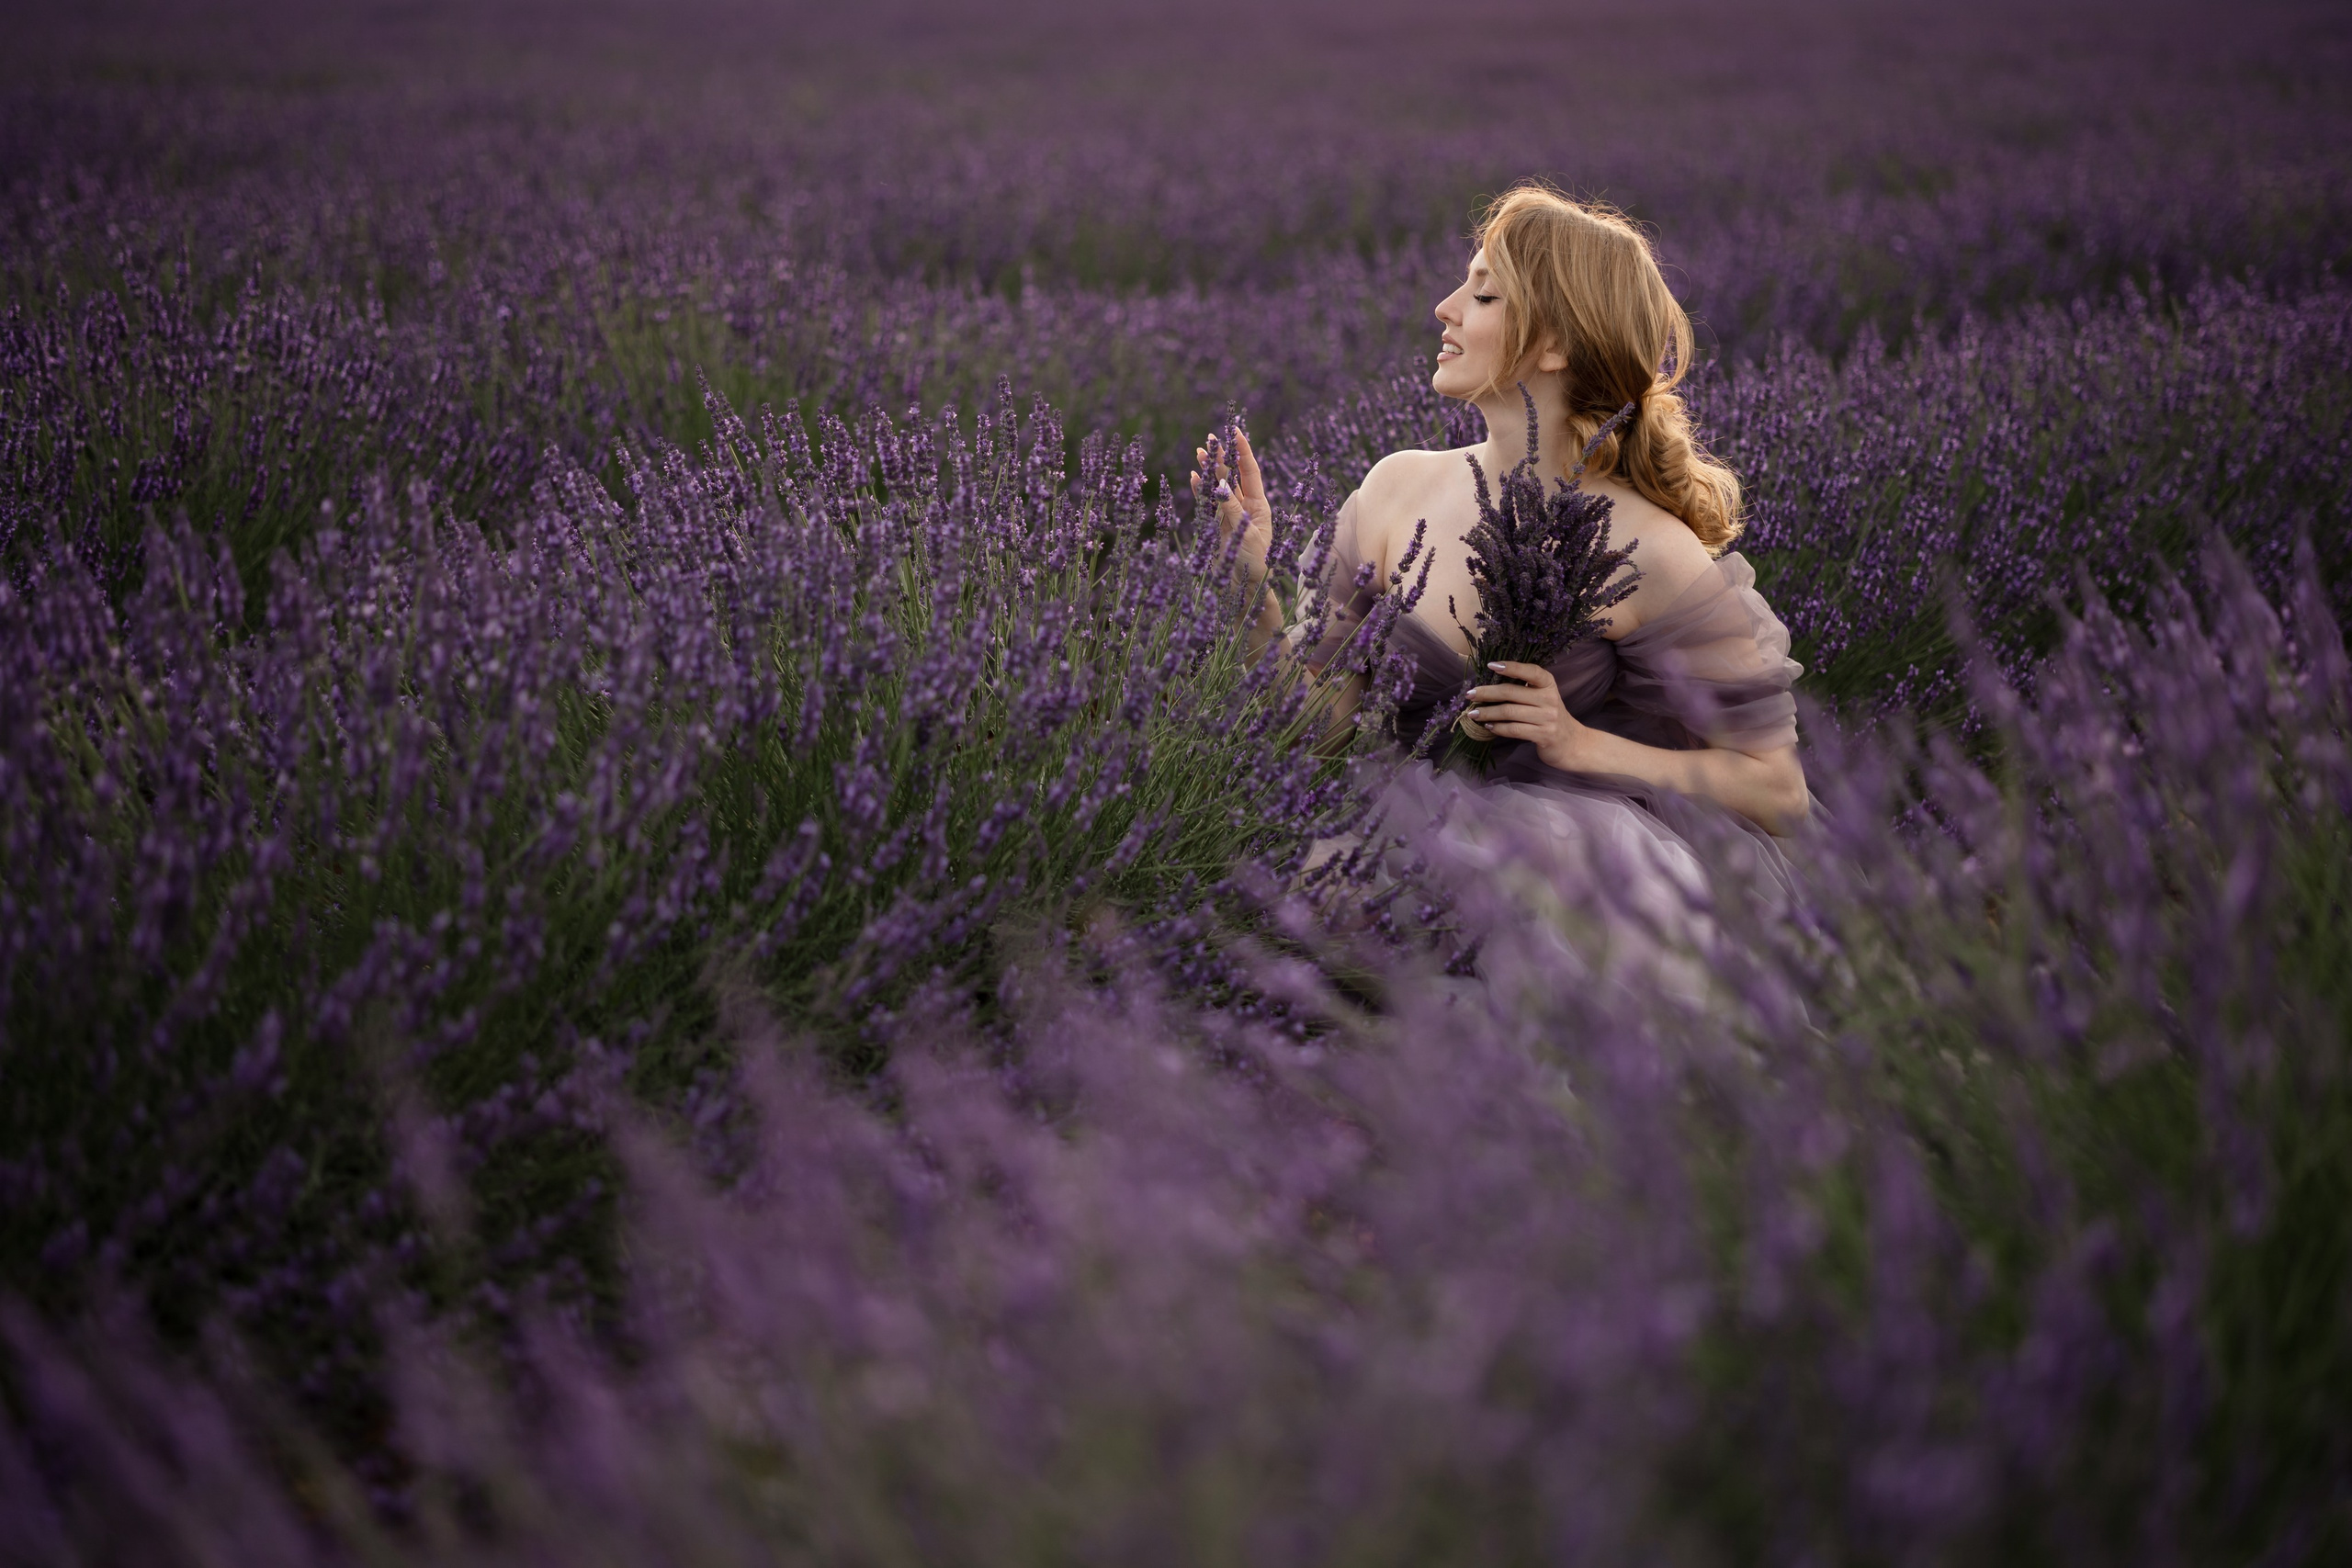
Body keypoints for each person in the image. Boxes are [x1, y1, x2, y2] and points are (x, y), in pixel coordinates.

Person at [1197, 184, 1808, 961]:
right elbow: (1319, 732)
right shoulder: (1395, 489)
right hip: (1399, 853)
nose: (1445, 309)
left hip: (1575, 880)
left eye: (1482, 293)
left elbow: (1778, 791)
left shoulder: (1649, 546)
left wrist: (1580, 745)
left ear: (1553, 345)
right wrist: (1250, 583)